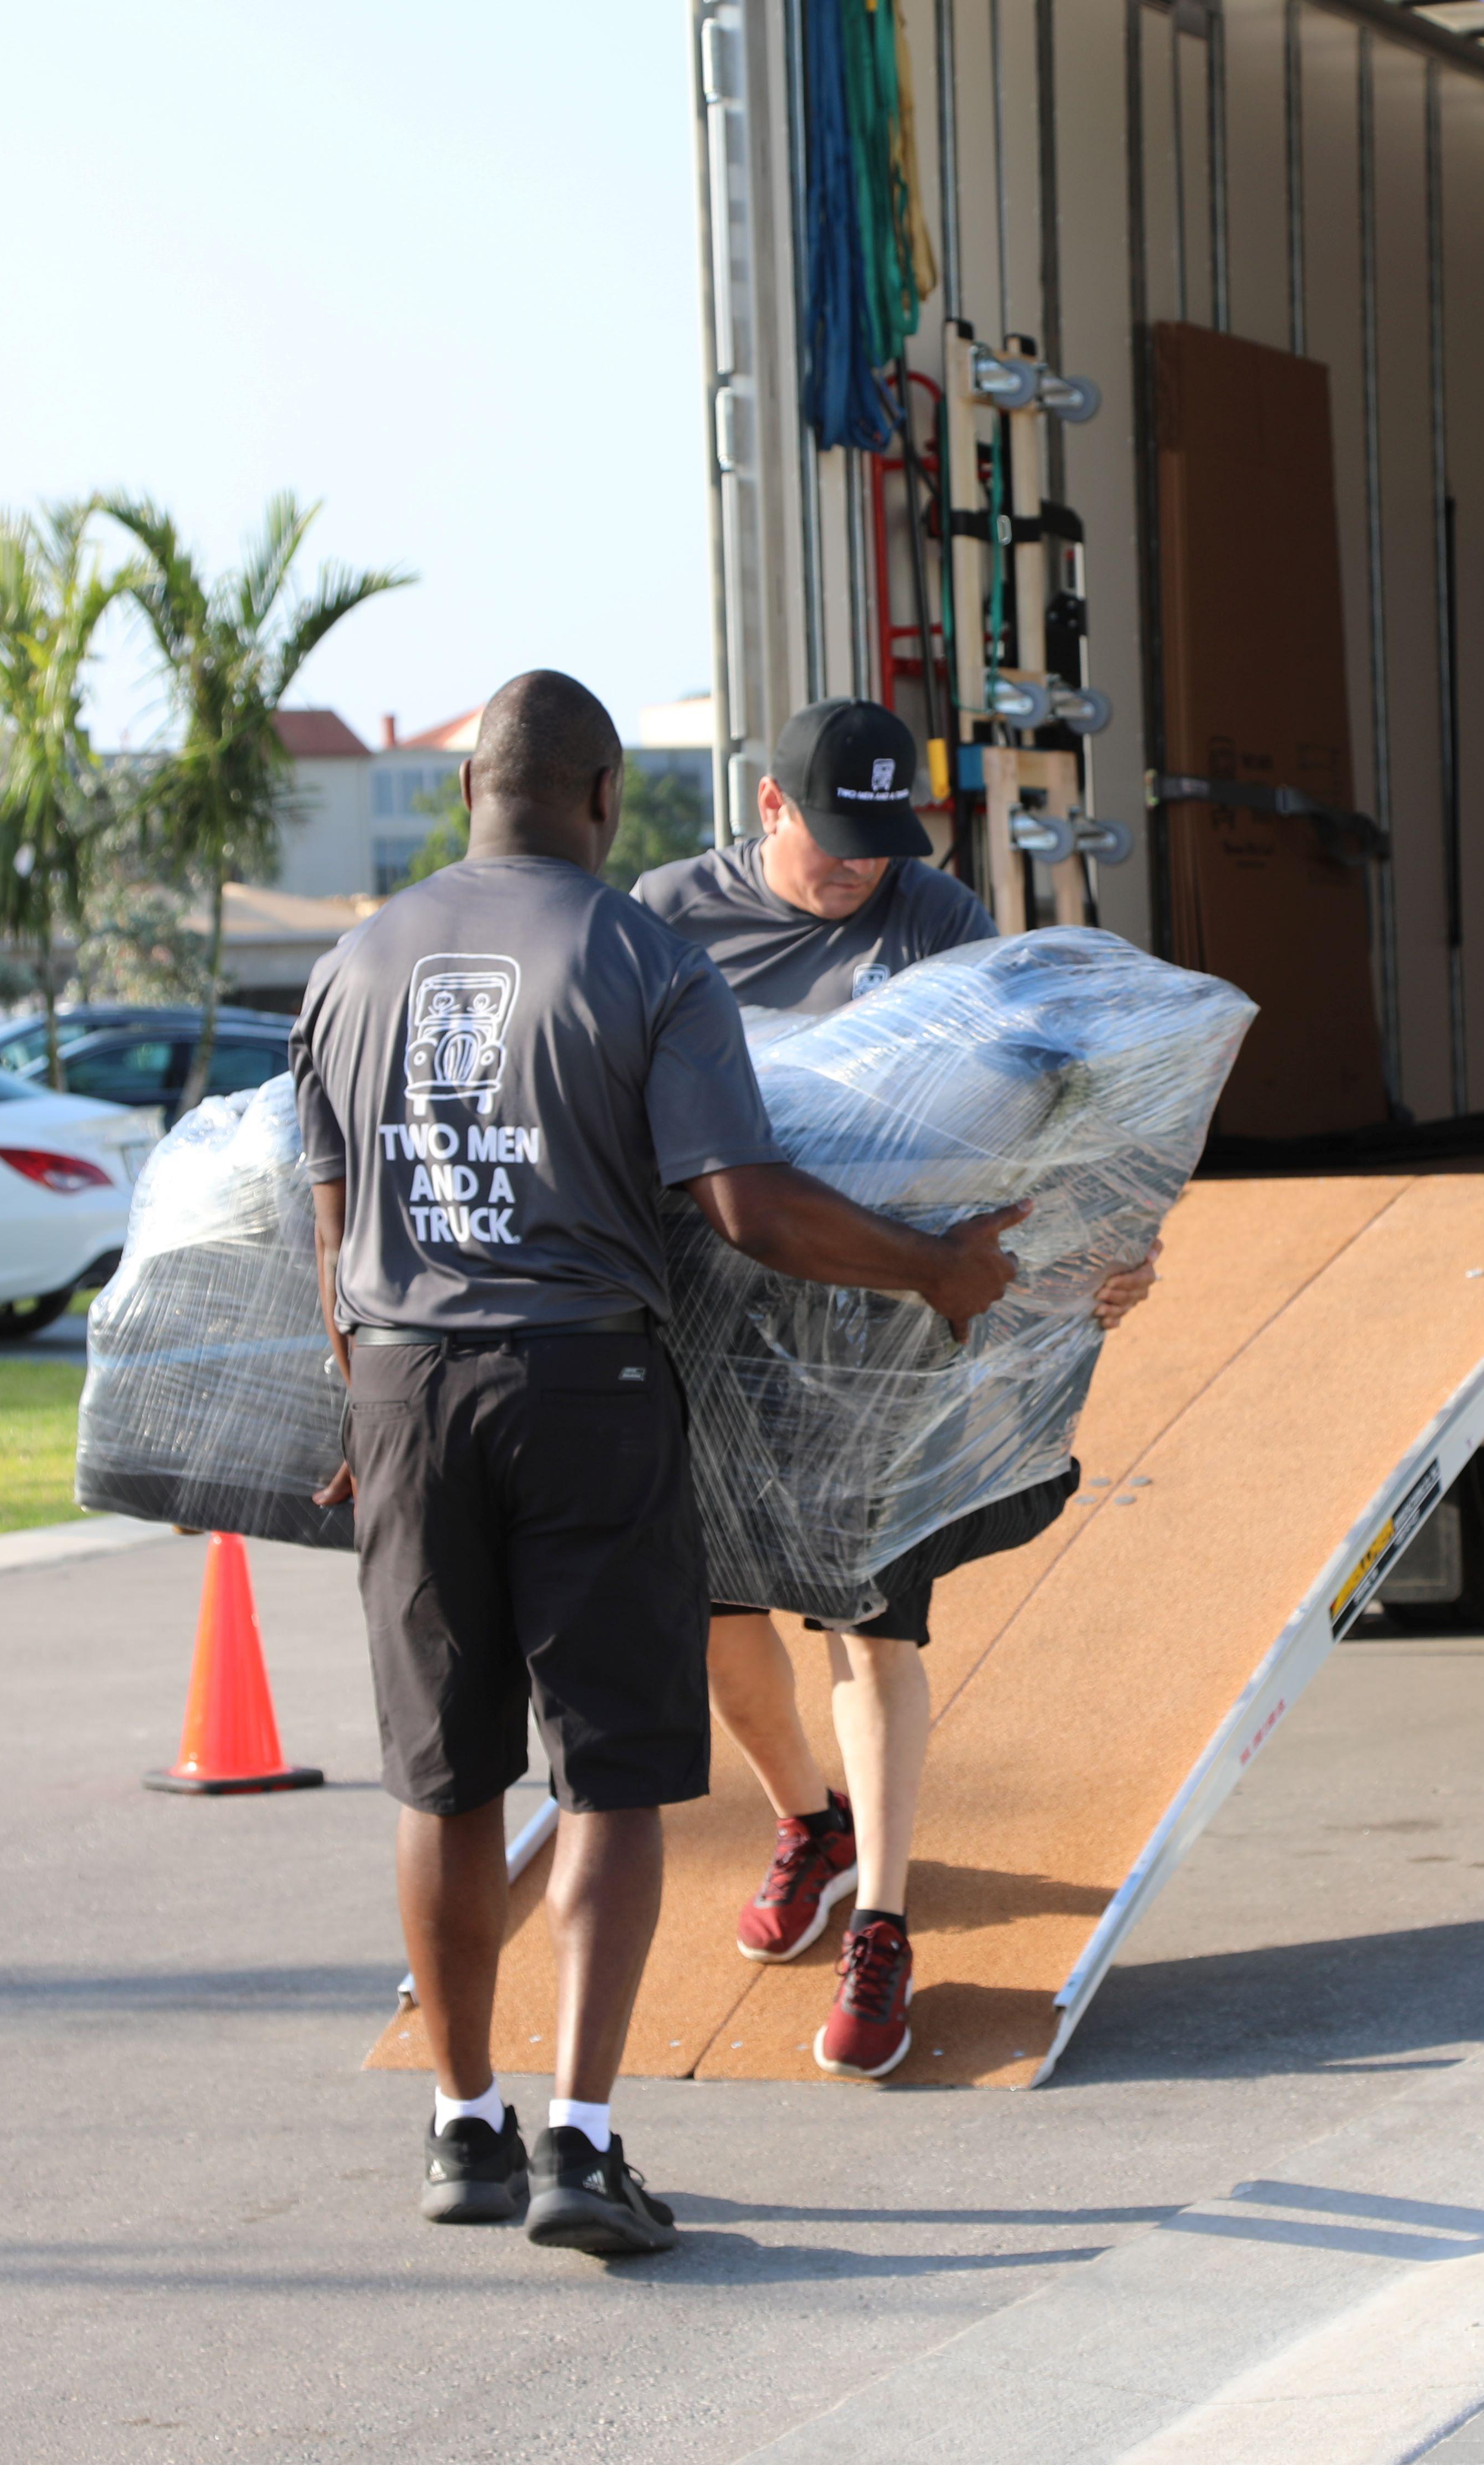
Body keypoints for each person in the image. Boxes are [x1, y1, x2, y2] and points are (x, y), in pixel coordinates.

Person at [297, 671, 1022, 2259]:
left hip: (405, 1392)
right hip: (582, 1381)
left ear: (474, 787)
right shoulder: (644, 956)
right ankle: (583, 2139)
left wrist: (355, 1408)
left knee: (446, 1783)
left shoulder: (351, 964)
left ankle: (462, 2124)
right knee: (614, 1777)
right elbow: (746, 1206)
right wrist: (937, 1272)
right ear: (607, 793)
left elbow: (331, 1220)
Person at [633, 695, 1160, 2080]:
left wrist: (1109, 1241)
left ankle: (881, 1923)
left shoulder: (932, 915)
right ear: (767, 806)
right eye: (835, 839)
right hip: (712, 1328)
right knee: (714, 1610)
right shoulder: (663, 914)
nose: (863, 868)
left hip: (880, 1328)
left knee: (870, 1618)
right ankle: (808, 1819)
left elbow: (1055, 1094)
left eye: (885, 839)